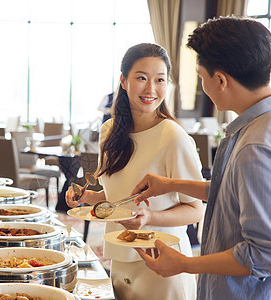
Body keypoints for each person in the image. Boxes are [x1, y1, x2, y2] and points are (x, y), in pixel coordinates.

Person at [132, 17, 271, 300]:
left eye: (202, 77)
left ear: (220, 80)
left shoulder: (256, 148)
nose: (203, 85)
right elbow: (238, 194)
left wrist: (185, 264)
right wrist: (170, 184)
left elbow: (266, 254)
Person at [66, 43, 205, 300]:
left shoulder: (173, 136)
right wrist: (88, 198)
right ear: (123, 80)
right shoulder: (109, 131)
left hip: (162, 260)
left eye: (160, 80)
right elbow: (119, 199)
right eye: (141, 78)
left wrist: (149, 217)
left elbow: (196, 209)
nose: (151, 89)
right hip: (120, 255)